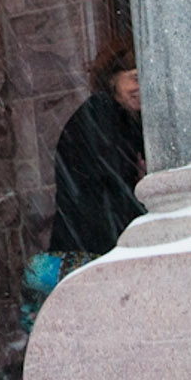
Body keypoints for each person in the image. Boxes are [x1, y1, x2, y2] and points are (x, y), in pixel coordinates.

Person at [48, 41, 146, 256]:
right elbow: (116, 178)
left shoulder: (126, 119)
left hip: (94, 236)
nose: (143, 87)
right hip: (96, 239)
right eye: (136, 78)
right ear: (112, 80)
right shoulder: (103, 113)